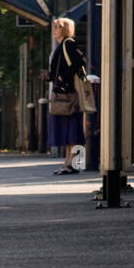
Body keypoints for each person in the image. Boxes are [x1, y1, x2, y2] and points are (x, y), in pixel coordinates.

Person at [47, 17, 86, 175]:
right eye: (54, 26)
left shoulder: (68, 43)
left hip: (69, 95)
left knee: (74, 130)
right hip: (64, 94)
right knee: (69, 131)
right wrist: (50, 76)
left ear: (65, 29)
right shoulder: (60, 46)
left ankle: (76, 164)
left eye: (58, 27)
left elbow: (79, 61)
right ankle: (68, 163)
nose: (54, 29)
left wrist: (64, 76)